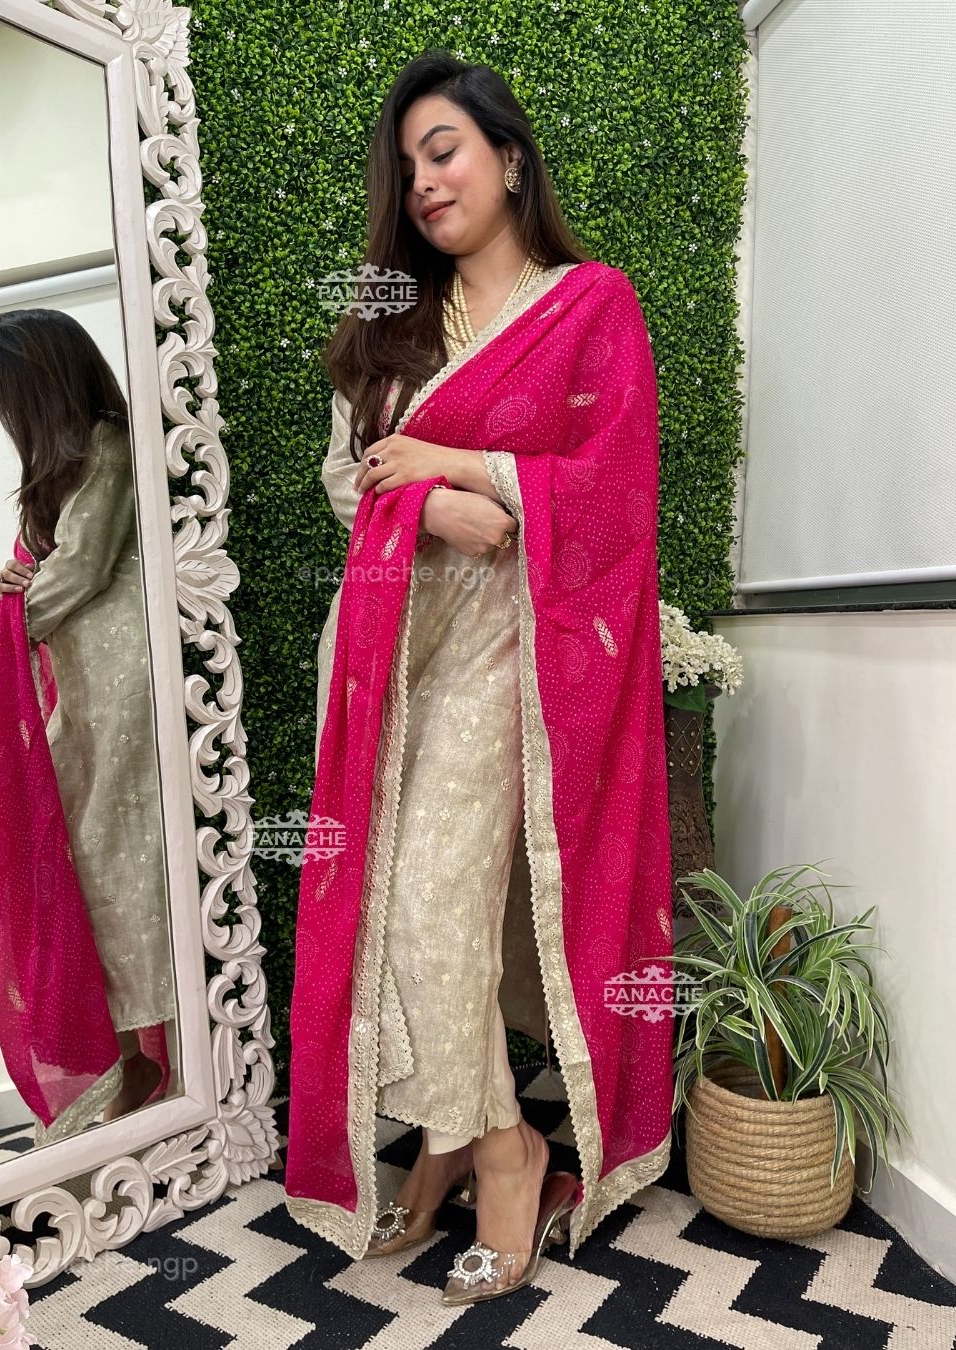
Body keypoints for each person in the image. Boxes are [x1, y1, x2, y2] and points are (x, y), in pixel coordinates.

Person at [285, 51, 674, 1305]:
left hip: (519, 657)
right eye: (407, 168)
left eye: (443, 151)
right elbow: (348, 479)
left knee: (431, 914)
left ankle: (510, 1153)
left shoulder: (591, 305)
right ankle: (456, 1139)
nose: (424, 183)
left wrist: (458, 470)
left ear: (509, 156)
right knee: (385, 912)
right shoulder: (389, 329)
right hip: (388, 657)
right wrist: (426, 510)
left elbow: (614, 489)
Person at [0, 308, 174, 1135]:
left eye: (8, 390)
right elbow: (55, 569)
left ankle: (160, 1058)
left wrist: (17, 613)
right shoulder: (68, 464)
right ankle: (135, 1057)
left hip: (126, 678)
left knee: (123, 861)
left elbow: (86, 566)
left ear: (39, 383)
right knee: (90, 866)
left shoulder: (106, 444)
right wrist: (19, 579)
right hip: (89, 683)